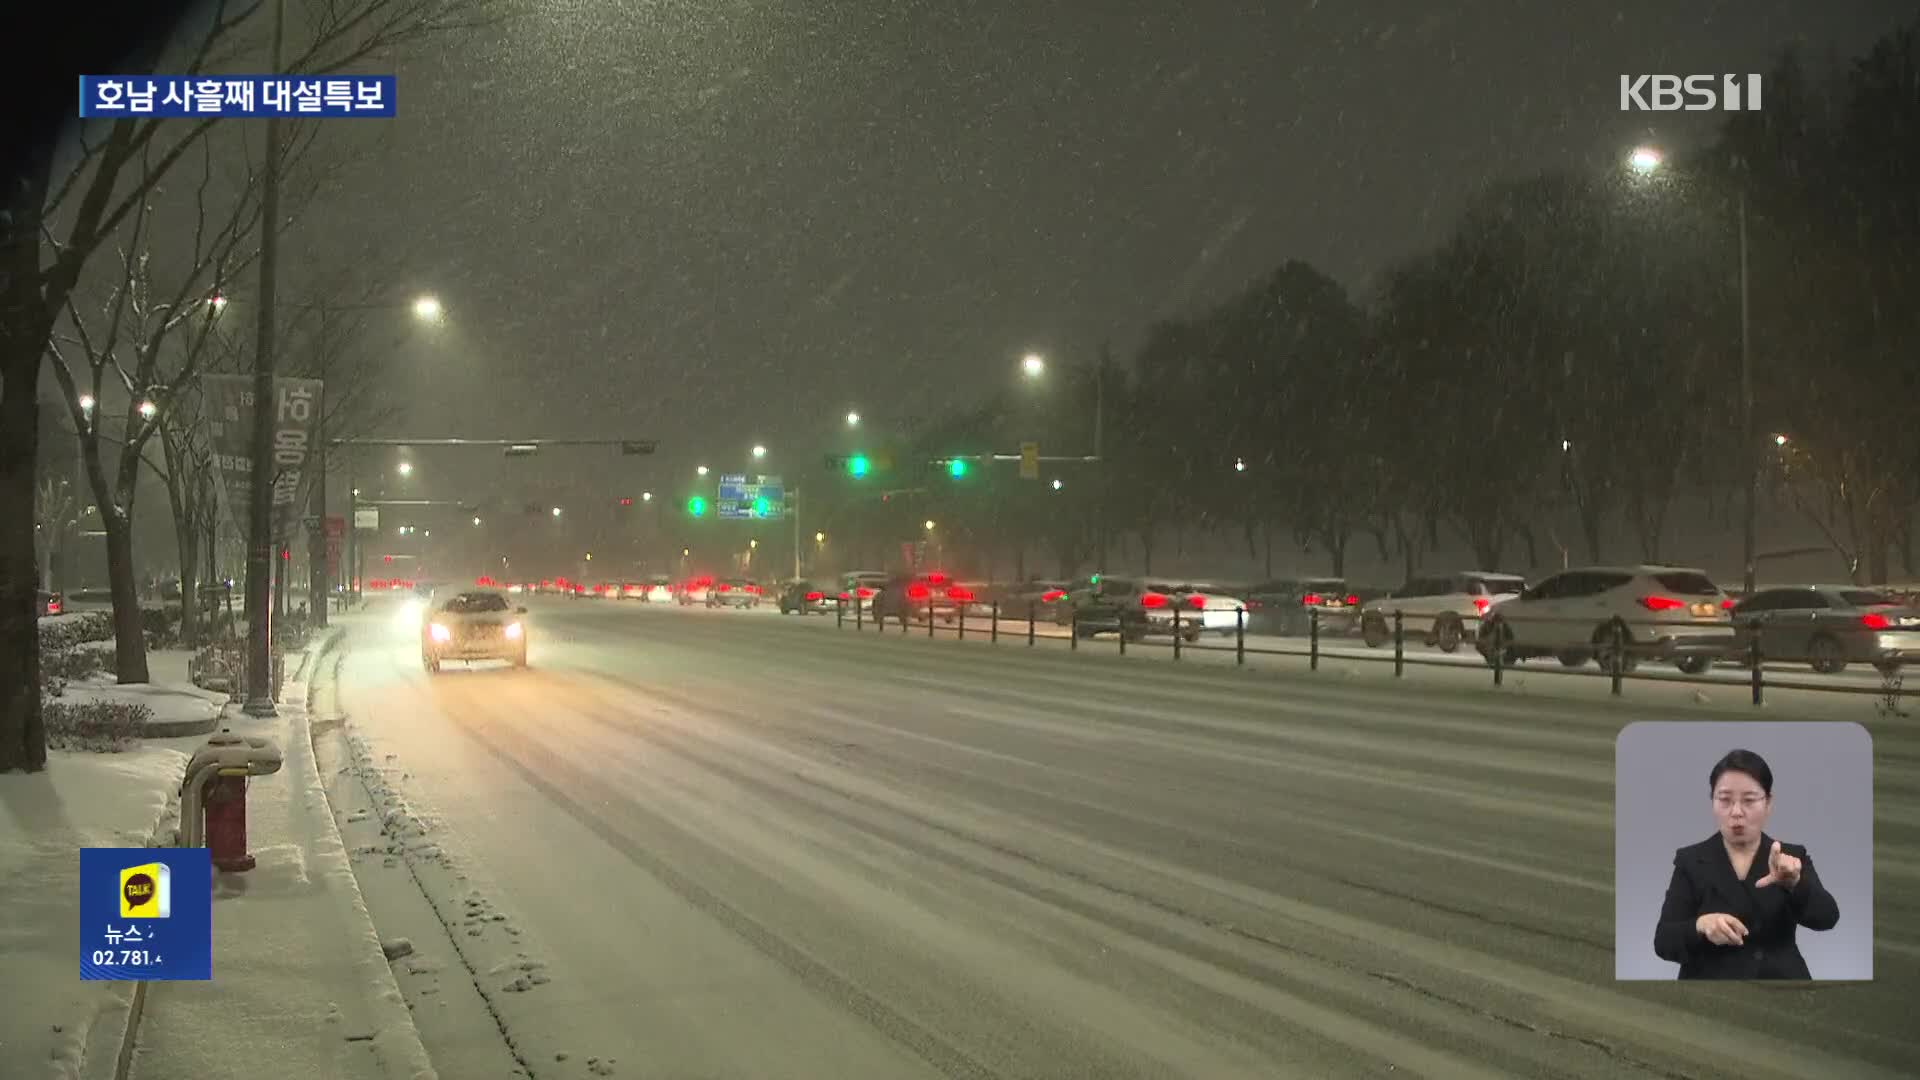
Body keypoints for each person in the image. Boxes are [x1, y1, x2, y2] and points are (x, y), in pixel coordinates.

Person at [1653, 748, 1840, 979]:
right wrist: (1701, 925)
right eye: (1724, 800)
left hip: (1780, 986)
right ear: (1712, 802)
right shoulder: (1690, 861)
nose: (1736, 812)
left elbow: (1828, 918)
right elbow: (1663, 941)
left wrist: (1795, 884)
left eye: (1749, 800)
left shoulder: (1792, 857)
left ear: (1768, 803)